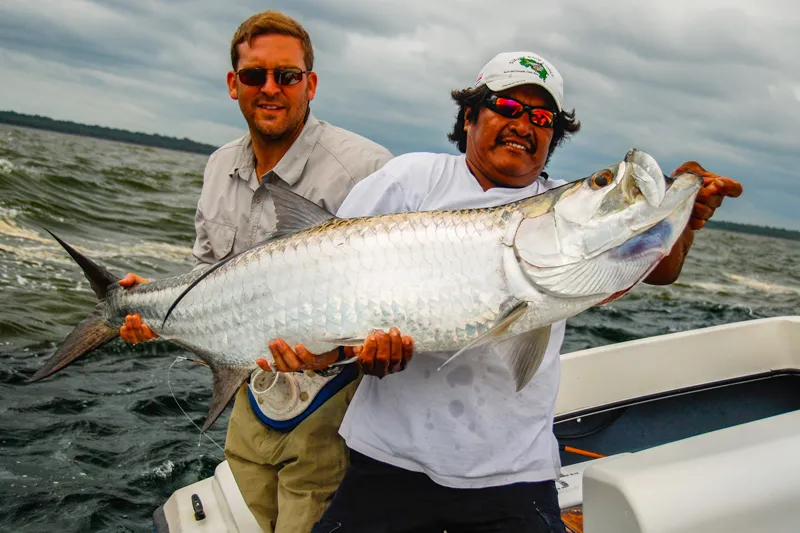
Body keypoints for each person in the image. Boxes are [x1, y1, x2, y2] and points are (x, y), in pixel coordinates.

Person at [268, 51, 743, 532]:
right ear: (470, 114)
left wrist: (680, 220)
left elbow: (649, 264)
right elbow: (325, 270)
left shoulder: (572, 209)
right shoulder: (410, 179)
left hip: (514, 470)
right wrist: (349, 351)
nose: (524, 124)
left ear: (553, 136)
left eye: (542, 118)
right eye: (508, 108)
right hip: (387, 458)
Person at [116, 10, 399, 533]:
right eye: (254, 76)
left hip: (335, 410)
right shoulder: (219, 165)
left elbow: (396, 295)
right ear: (233, 84)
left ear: (310, 84)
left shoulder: (367, 167)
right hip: (250, 394)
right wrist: (151, 309)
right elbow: (207, 279)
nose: (271, 89)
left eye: (287, 76)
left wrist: (336, 351)